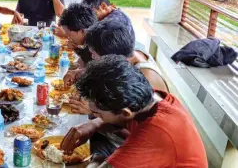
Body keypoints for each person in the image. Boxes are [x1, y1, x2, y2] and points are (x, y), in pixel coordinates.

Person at [60, 55, 208, 168]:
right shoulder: (148, 98)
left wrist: (97, 162)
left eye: (98, 113)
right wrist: (95, 124)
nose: (95, 116)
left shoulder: (156, 133)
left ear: (125, 113)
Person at [65, 19, 168, 114]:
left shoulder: (145, 79)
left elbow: (131, 123)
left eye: (94, 54)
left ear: (110, 57)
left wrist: (95, 111)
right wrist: (82, 72)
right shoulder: (127, 54)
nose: (92, 57)